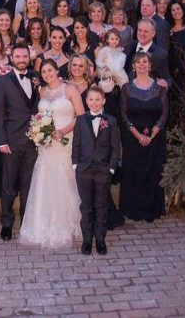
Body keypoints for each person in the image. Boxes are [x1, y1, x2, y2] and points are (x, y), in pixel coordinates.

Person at [18, 59, 84, 248]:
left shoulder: (70, 89)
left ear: (57, 71)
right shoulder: (42, 91)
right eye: (44, 72)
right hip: (46, 145)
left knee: (65, 178)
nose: (47, 74)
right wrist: (39, 131)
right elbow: (39, 117)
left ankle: (70, 224)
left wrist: (63, 131)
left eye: (50, 70)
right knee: (45, 179)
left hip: (65, 141)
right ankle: (43, 225)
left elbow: (81, 117)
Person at [0, 45, 40, 241]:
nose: (21, 59)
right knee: (8, 185)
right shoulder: (2, 81)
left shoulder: (37, 77)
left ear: (29, 58)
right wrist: (1, 141)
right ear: (11, 58)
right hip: (11, 141)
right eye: (18, 56)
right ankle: (6, 224)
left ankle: (26, 223)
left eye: (24, 56)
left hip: (33, 140)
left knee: (28, 185)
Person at [71, 85, 121, 256]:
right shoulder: (80, 120)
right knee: (86, 206)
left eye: (97, 99)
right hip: (83, 170)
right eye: (91, 99)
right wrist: (75, 164)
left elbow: (115, 147)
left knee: (101, 206)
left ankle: (100, 240)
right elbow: (76, 144)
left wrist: (111, 168)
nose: (94, 102)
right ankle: (87, 240)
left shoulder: (111, 121)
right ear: (86, 101)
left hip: (103, 170)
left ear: (103, 101)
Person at [119, 52, 168, 222]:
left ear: (150, 65)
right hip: (132, 139)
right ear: (133, 66)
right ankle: (133, 209)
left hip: (156, 140)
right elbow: (123, 115)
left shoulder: (160, 87)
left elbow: (164, 114)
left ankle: (152, 209)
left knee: (153, 173)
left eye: (144, 62)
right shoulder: (126, 88)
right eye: (138, 62)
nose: (141, 65)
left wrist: (152, 135)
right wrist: (138, 136)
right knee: (134, 173)